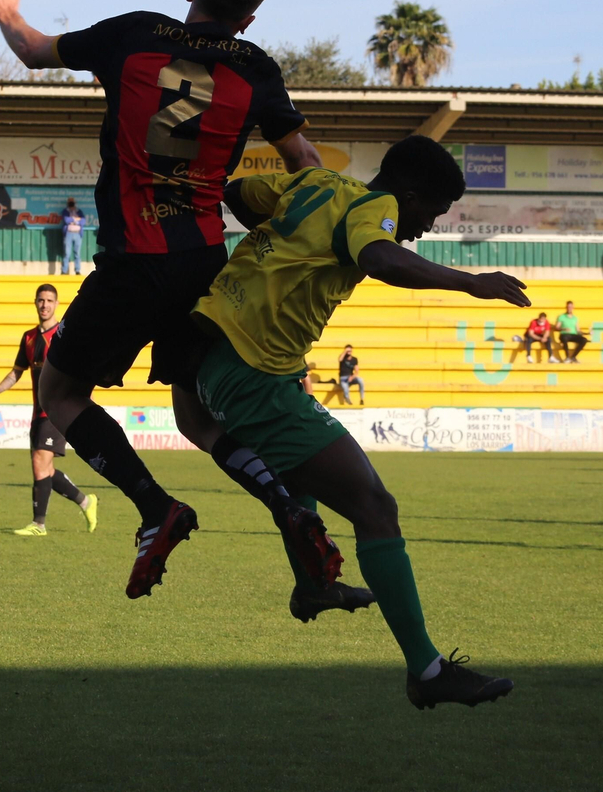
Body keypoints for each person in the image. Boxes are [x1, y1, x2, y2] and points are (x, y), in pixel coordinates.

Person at [0, 0, 345, 603]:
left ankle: (156, 509)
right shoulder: (256, 67)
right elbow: (306, 159)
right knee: (197, 418)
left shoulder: (133, 36)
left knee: (59, 395)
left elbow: (33, 50)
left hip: (134, 260)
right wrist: (322, 229)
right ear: (249, 20)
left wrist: (8, 11)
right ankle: (288, 504)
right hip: (206, 264)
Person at [193, 135, 530, 707]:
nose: (424, 227)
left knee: (305, 480)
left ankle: (313, 586)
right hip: (254, 373)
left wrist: (278, 248)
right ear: (412, 193)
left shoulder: (317, 182)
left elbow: (239, 195)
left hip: (218, 356)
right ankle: (426, 673)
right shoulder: (380, 209)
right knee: (376, 508)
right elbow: (378, 256)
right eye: (431, 213)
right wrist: (473, 283)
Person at [0, 284, 99, 536]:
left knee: (39, 464)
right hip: (38, 413)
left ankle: (39, 524)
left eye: (49, 300)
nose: (44, 304)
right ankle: (85, 501)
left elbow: (82, 368)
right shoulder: (28, 337)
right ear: (35, 303)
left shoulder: (64, 336)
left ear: (56, 304)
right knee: (44, 469)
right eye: (41, 300)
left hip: (58, 412)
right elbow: (17, 372)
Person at [60, 198, 86, 275]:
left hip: (78, 234)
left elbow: (83, 221)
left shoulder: (79, 211)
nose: (71, 203)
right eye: (70, 202)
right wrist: (76, 220)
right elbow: (66, 220)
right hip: (69, 233)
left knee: (77, 253)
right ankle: (64, 270)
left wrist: (74, 220)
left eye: (72, 202)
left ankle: (77, 270)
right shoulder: (66, 211)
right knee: (67, 253)